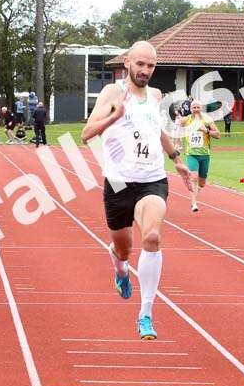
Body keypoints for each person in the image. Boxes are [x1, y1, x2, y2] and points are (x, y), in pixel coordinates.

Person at [81, 41, 193, 340]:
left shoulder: (155, 96)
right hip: (118, 182)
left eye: (151, 66)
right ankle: (121, 271)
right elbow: (86, 134)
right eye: (140, 64)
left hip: (152, 179)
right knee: (123, 250)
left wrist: (176, 159)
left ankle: (145, 314)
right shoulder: (112, 93)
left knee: (152, 237)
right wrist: (114, 116)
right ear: (127, 63)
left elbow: (158, 130)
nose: (145, 70)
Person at [182, 99, 220, 212]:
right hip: (191, 154)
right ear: (190, 109)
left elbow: (217, 135)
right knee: (194, 177)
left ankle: (195, 193)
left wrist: (206, 131)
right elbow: (178, 132)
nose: (196, 109)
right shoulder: (185, 120)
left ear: (201, 108)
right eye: (194, 107)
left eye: (198, 107)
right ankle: (194, 203)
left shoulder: (207, 120)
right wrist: (177, 145)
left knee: (202, 183)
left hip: (204, 154)